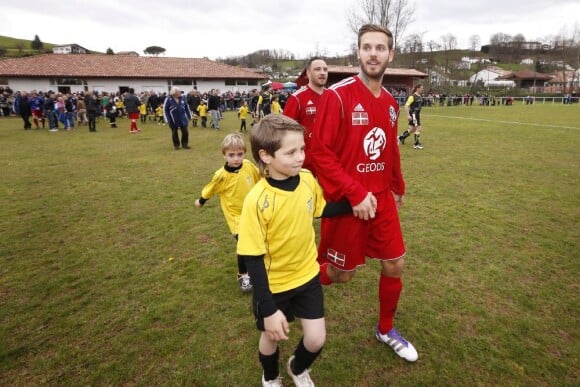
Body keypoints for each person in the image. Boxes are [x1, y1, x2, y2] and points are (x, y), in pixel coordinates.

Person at [310, 23, 419, 362]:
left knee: (395, 264)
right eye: (367, 47)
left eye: (380, 48)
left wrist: (397, 184)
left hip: (381, 199)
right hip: (348, 202)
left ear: (391, 54)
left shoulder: (390, 103)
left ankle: (385, 328)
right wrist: (355, 193)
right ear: (358, 52)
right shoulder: (337, 96)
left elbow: (390, 150)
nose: (373, 53)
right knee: (341, 274)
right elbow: (320, 153)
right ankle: (293, 280)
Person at [237, 114, 350, 386]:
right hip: (274, 286)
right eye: (291, 152)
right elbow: (251, 256)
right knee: (270, 337)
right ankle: (271, 375)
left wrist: (353, 203)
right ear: (265, 155)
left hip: (308, 276)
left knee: (316, 338)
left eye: (302, 149)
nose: (300, 157)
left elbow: (321, 209)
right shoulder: (256, 201)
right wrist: (267, 308)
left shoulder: (308, 179)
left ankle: (297, 368)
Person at [194, 133, 261, 292]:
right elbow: (211, 188)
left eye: (240, 154)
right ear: (224, 155)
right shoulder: (221, 176)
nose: (236, 158)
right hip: (235, 216)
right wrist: (201, 200)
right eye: (231, 155)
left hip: (253, 212)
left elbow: (260, 177)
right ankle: (243, 274)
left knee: (258, 241)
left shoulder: (248, 166)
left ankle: (259, 268)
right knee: (244, 244)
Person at [283, 56, 328, 172]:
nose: (322, 73)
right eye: (317, 69)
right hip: (306, 165)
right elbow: (284, 131)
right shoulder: (297, 98)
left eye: (325, 69)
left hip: (330, 162)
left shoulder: (333, 97)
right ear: (308, 73)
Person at [398, 84, 425, 149]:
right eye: (421, 88)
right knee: (418, 128)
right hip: (413, 115)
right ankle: (416, 144)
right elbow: (406, 106)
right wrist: (408, 115)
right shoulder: (412, 96)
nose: (422, 89)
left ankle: (401, 137)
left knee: (412, 129)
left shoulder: (419, 96)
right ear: (417, 88)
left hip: (417, 115)